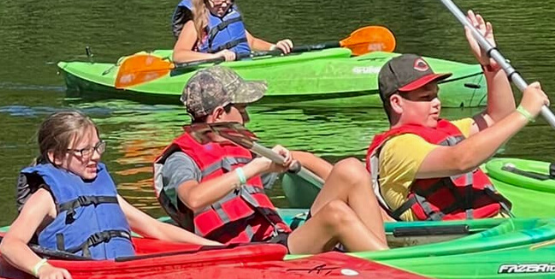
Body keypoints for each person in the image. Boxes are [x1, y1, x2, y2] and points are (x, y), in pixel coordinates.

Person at [154, 66, 389, 253]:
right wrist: (250, 170)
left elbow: (304, 159)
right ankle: (392, 268)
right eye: (242, 109)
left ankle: (382, 251)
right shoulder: (181, 158)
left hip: (282, 240)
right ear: (218, 115)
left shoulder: (240, 148)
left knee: (350, 167)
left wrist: (287, 159)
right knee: (335, 212)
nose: (247, 117)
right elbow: (193, 199)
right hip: (253, 253)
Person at [0, 110, 214, 279]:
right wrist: (43, 269)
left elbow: (156, 228)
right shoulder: (45, 197)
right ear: (55, 156)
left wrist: (214, 247)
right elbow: (10, 244)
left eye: (97, 146)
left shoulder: (102, 191)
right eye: (84, 151)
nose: (95, 156)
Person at [365, 14, 547, 220]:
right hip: (460, 242)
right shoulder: (397, 147)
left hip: (494, 230)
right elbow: (460, 160)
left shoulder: (443, 131)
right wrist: (524, 113)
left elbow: (500, 118)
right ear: (397, 103)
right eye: (426, 97)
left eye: (436, 95)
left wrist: (491, 64)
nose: (436, 102)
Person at [170, 0, 294, 64]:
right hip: (211, 73)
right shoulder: (194, 24)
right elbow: (179, 55)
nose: (224, 4)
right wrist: (216, 56)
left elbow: (252, 42)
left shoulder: (229, 16)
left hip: (243, 63)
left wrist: (274, 47)